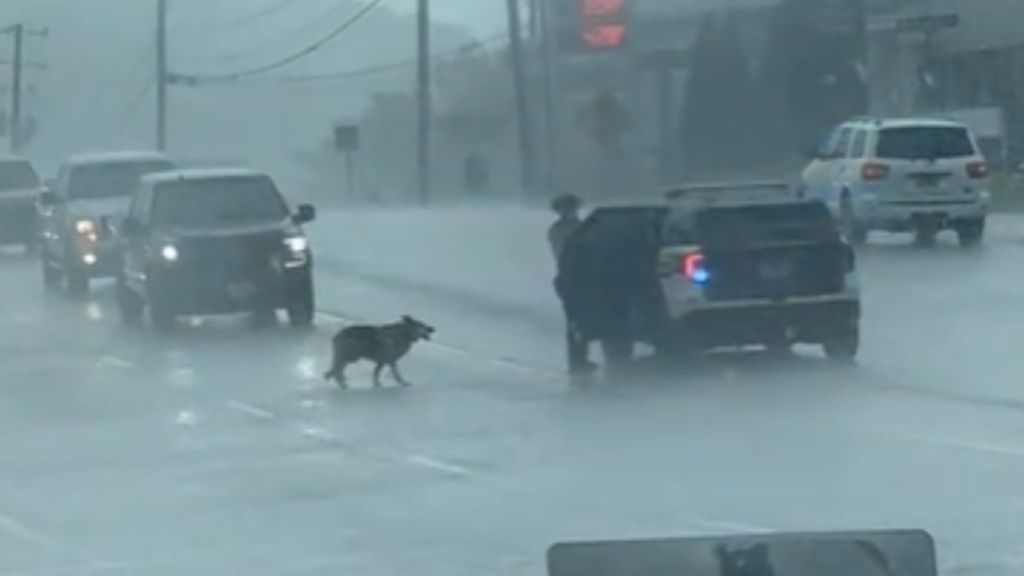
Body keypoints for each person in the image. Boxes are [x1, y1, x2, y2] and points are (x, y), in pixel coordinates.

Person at [549, 194, 597, 376]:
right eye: (566, 209)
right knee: (576, 320)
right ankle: (578, 360)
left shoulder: (576, 228)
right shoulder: (563, 230)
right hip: (572, 278)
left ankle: (579, 358)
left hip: (578, 278)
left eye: (571, 208)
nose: (570, 212)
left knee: (579, 319)